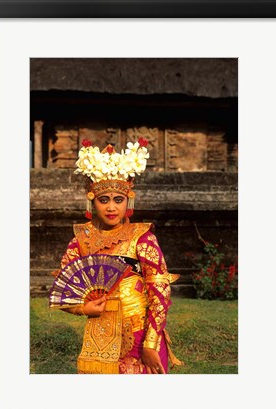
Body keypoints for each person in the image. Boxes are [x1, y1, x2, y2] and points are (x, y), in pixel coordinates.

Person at [50, 138, 182, 374]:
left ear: (127, 200)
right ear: (92, 202)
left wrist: (151, 343)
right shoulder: (80, 241)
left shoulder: (141, 238)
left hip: (141, 334)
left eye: (118, 200)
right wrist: (84, 309)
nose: (111, 208)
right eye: (104, 200)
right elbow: (64, 290)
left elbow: (160, 292)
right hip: (99, 335)